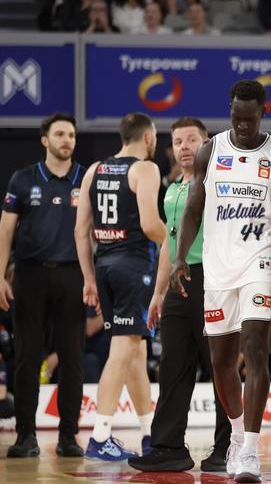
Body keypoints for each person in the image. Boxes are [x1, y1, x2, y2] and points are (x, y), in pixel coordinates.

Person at [171, 80, 271, 483]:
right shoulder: (211, 151)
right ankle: (238, 434)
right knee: (221, 363)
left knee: (255, 349)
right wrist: (179, 256)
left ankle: (250, 451)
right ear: (230, 111)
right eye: (236, 118)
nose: (243, 126)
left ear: (263, 112)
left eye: (250, 118)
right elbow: (192, 210)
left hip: (261, 264)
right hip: (218, 270)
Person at [128, 117, 232, 472]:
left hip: (212, 280)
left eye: (191, 140)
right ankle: (168, 446)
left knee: (220, 367)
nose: (184, 146)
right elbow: (168, 247)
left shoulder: (218, 184)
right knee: (172, 366)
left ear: (206, 144)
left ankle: (227, 448)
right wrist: (157, 294)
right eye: (177, 141)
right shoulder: (172, 188)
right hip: (178, 282)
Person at [75, 112, 166, 461]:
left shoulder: (94, 169)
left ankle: (148, 435)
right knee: (122, 350)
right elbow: (149, 223)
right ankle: (100, 436)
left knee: (135, 354)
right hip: (133, 267)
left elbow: (81, 231)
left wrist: (88, 278)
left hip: (104, 268)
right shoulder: (145, 168)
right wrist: (174, 240)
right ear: (148, 137)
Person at [0, 113, 86, 458]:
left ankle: (68, 437)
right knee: (26, 356)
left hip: (72, 275)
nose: (67, 140)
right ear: (45, 140)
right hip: (30, 273)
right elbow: (5, 231)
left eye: (71, 135)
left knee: (73, 358)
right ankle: (25, 436)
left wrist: (92, 279)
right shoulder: (22, 179)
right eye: (60, 134)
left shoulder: (87, 178)